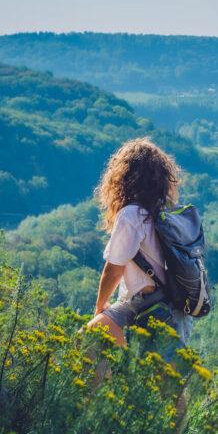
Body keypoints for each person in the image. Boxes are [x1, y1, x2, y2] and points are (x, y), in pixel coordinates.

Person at [86, 138, 193, 347]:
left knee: (85, 344)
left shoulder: (132, 215)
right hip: (176, 311)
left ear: (124, 177)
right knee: (145, 368)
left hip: (146, 307)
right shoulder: (168, 212)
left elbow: (113, 270)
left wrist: (100, 307)